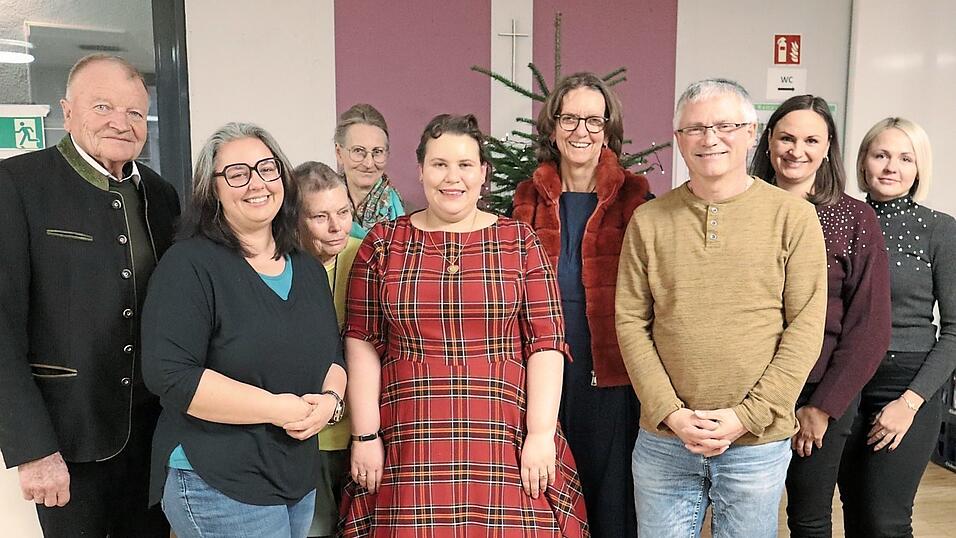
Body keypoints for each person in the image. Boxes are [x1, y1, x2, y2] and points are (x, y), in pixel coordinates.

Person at [339, 114, 589, 536]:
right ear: (419, 170)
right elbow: (362, 342)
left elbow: (546, 344)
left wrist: (542, 435)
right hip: (409, 438)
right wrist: (365, 437)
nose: (451, 178)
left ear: (483, 173)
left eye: (465, 165)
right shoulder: (382, 243)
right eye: (439, 165)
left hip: (505, 437)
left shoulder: (520, 242)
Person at [616, 78, 828, 538]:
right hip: (664, 440)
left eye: (725, 126)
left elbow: (806, 327)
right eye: (695, 129)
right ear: (678, 140)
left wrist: (745, 416)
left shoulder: (793, 216)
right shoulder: (648, 220)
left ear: (751, 133)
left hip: (756, 442)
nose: (710, 139)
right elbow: (631, 323)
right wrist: (670, 413)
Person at [0, 53, 180, 537]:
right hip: (66, 440)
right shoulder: (16, 185)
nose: (120, 123)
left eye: (135, 113)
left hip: (154, 436)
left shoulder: (163, 196)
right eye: (103, 107)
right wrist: (32, 449)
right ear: (68, 111)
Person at [141, 122, 346, 538]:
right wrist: (277, 409)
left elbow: (332, 357)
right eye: (237, 173)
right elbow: (173, 377)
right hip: (217, 478)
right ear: (213, 189)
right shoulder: (189, 265)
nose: (257, 183)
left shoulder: (306, 267)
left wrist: (330, 403)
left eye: (267, 168)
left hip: (294, 476)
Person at [512, 72, 651, 537]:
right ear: (552, 127)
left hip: (608, 367)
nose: (581, 131)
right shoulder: (529, 196)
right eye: (570, 118)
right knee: (545, 487)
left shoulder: (635, 196)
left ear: (609, 128)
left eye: (594, 119)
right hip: (537, 362)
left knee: (609, 490)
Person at [750, 94, 893, 537]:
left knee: (808, 518)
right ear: (768, 141)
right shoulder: (741, 207)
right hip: (745, 387)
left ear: (828, 146)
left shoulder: (854, 217)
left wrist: (823, 407)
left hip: (820, 388)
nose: (797, 150)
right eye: (786, 137)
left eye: (812, 140)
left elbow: (868, 327)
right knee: (740, 511)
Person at [837, 117, 956, 537]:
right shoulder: (841, 220)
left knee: (885, 520)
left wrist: (910, 402)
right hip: (846, 382)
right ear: (864, 161)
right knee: (855, 513)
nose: (891, 167)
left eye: (905, 158)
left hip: (907, 383)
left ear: (919, 168)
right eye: (881, 154)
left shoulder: (940, 229)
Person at [292, 161, 362, 538]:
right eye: (320, 217)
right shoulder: (278, 263)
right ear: (294, 218)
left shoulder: (367, 255)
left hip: (363, 430)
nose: (337, 228)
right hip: (305, 434)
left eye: (343, 212)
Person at [334, 104, 405, 239]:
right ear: (339, 153)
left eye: (377, 152)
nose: (368, 163)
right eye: (358, 151)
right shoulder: (320, 206)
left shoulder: (407, 217)